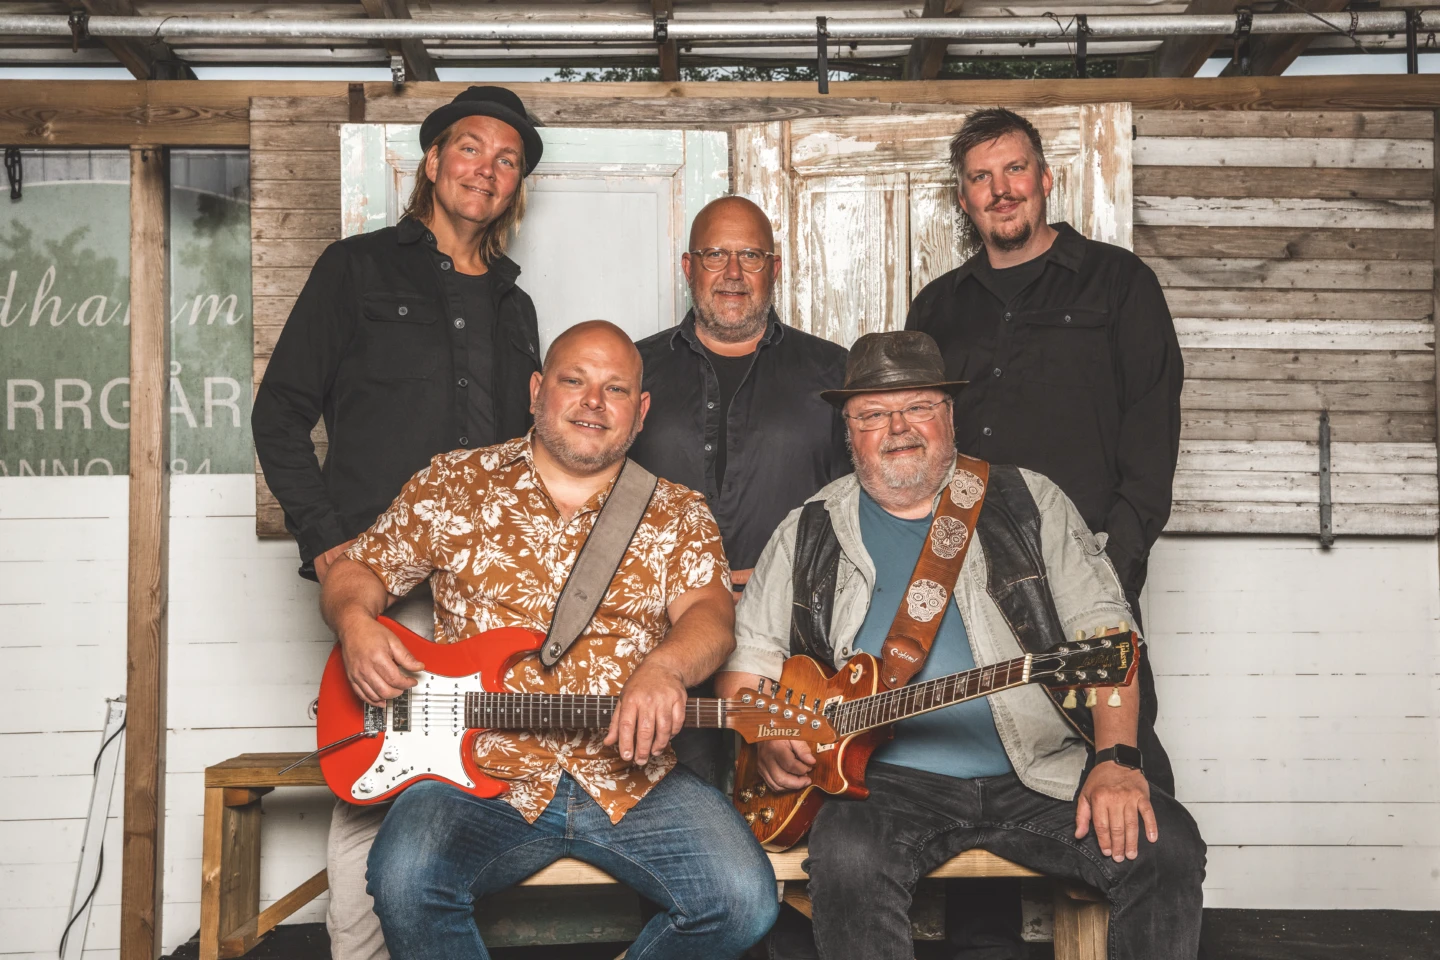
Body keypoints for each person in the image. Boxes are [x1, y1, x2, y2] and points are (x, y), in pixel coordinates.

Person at [716, 331, 1205, 960]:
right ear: (849, 432)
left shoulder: (1030, 500)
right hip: (884, 784)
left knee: (1166, 848)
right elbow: (745, 668)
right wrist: (769, 734)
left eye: (918, 406)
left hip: (1040, 773)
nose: (897, 428)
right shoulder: (808, 527)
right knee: (848, 860)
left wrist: (1115, 761)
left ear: (949, 415)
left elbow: (1106, 633)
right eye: (872, 414)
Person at [322, 321, 779, 960]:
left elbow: (711, 615)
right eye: (574, 381)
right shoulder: (454, 483)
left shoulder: (677, 512)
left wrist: (666, 669)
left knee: (742, 900)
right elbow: (359, 570)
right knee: (405, 879)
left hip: (627, 774)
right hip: (476, 772)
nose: (594, 402)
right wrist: (355, 624)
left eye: (616, 389)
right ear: (537, 390)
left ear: (641, 410)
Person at [251, 86, 545, 959]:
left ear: (515, 185)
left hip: (493, 587)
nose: (486, 169)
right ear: (433, 159)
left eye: (507, 160)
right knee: (378, 783)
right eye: (471, 148)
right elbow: (279, 415)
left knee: (477, 774)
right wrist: (331, 548)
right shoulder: (355, 269)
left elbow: (527, 454)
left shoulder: (516, 305)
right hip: (387, 585)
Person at [906, 107, 1184, 799]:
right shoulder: (937, 308)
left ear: (1046, 178)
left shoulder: (1119, 284)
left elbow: (1152, 436)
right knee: (975, 759)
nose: (1001, 190)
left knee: (1122, 763)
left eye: (1015, 169)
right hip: (964, 577)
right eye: (981, 177)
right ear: (964, 198)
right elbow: (913, 440)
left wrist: (1113, 569)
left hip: (1083, 570)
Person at [629, 195, 849, 783]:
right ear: (688, 267)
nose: (732, 272)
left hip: (795, 638)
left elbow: (860, 506)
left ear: (774, 268)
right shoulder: (632, 371)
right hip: (660, 633)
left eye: (750, 255)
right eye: (714, 255)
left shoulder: (835, 374)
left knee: (790, 799)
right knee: (671, 799)